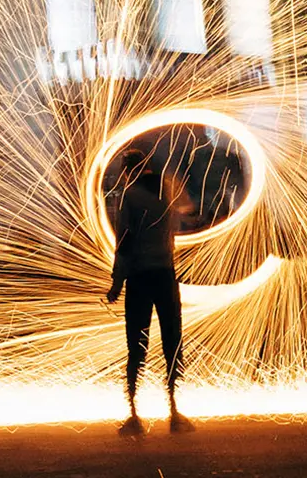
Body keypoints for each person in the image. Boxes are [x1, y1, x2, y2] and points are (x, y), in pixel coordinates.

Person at [104, 147, 195, 435]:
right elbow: (181, 219)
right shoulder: (166, 192)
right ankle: (175, 412)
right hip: (166, 275)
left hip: (140, 277)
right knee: (172, 342)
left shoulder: (129, 196)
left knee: (137, 346)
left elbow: (126, 242)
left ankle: (134, 416)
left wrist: (117, 282)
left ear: (128, 170)